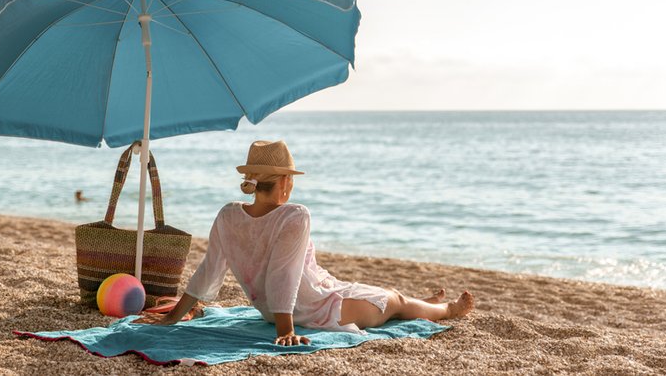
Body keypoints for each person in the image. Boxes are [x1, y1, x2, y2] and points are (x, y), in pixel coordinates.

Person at [135, 140, 474, 345]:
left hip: (271, 309)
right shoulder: (294, 216)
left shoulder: (228, 215)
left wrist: (173, 317)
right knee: (395, 300)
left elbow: (208, 272)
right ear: (284, 183)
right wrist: (286, 330)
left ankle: (421, 305)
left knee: (385, 297)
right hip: (317, 308)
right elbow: (283, 274)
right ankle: (446, 310)